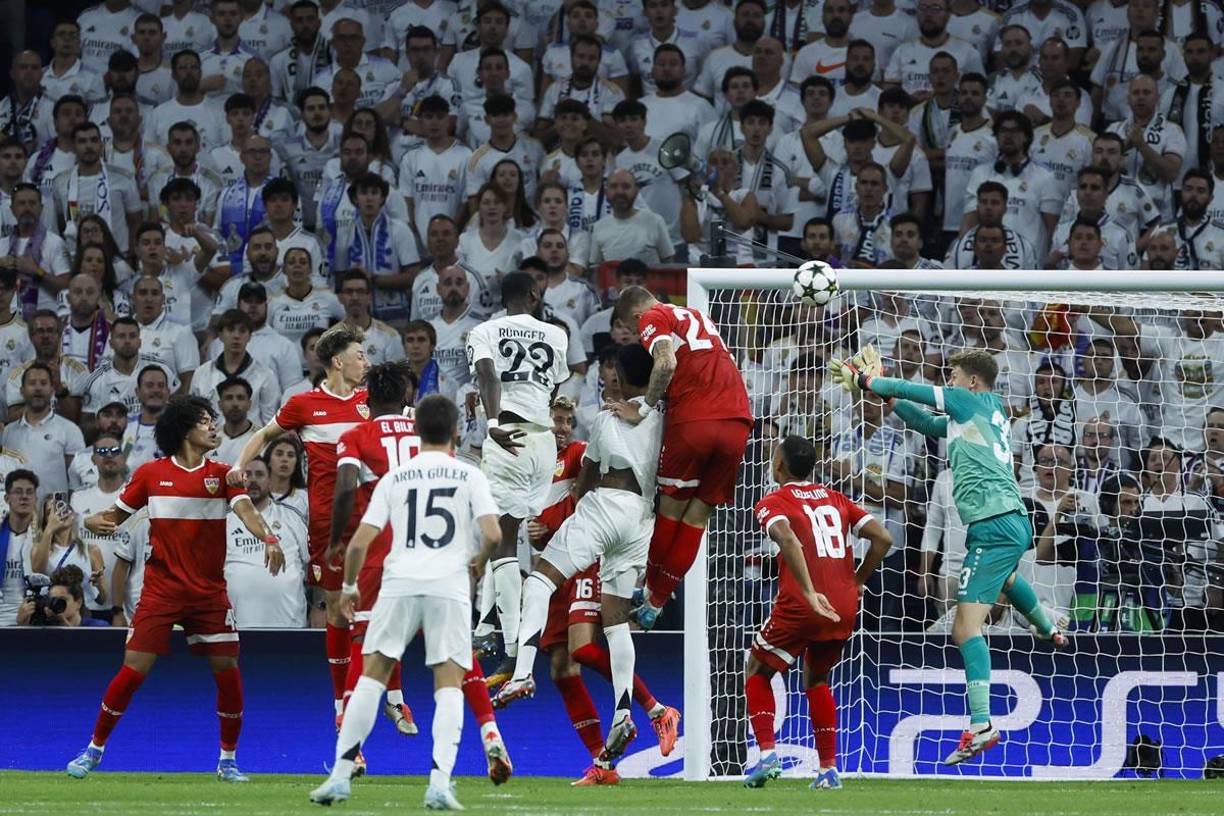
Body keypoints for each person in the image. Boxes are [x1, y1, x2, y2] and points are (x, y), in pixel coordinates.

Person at [831, 345, 1067, 765]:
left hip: (993, 524)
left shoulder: (968, 399)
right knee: (1007, 580)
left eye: (954, 375)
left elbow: (916, 390)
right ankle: (1048, 627)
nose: (950, 381)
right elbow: (923, 419)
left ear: (971, 381)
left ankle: (982, 724)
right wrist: (887, 399)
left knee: (964, 629)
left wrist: (867, 380)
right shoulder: (986, 411)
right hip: (1008, 521)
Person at [67, 395, 285, 780]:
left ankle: (228, 761)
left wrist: (268, 537)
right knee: (133, 670)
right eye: (206, 421)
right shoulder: (151, 474)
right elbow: (112, 517)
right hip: (161, 591)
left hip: (208, 593)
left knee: (228, 670)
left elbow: (246, 510)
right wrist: (94, 522)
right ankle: (93, 750)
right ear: (185, 429)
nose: (213, 427)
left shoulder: (223, 474)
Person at [309, 394, 501, 809]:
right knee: (448, 685)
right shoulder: (469, 475)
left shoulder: (396, 477)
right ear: (454, 432)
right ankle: (439, 783)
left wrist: (349, 586)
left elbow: (360, 540)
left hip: (398, 582)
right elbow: (493, 533)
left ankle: (340, 777)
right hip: (448, 585)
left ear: (416, 432)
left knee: (370, 678)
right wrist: (478, 563)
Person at [496, 344, 682, 770]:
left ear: (621, 375)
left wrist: (577, 503)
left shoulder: (606, 418)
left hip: (606, 506)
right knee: (616, 624)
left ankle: (522, 672)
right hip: (642, 521)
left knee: (539, 581)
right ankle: (625, 713)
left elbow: (589, 476)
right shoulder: (664, 419)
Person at [229, 323, 369, 725]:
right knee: (339, 612)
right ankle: (341, 701)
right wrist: (240, 466)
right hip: (328, 522)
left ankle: (390, 693)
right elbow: (264, 434)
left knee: (378, 608)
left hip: (374, 517)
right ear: (338, 362)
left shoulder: (371, 400)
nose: (366, 362)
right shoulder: (304, 403)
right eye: (360, 355)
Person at [742, 435, 892, 789]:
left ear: (778, 465)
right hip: (843, 606)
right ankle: (828, 771)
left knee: (757, 670)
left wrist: (809, 593)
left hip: (802, 604)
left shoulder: (772, 502)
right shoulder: (837, 499)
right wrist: (857, 581)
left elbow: (789, 540)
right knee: (817, 679)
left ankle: (767, 756)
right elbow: (884, 538)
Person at [609, 285, 753, 629]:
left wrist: (643, 407)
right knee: (698, 518)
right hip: (738, 420)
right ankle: (655, 604)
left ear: (634, 316)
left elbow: (666, 360)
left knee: (670, 512)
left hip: (694, 420)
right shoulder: (700, 316)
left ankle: (649, 591)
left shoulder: (653, 317)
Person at [467, 271, 570, 682]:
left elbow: (490, 375)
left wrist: (492, 421)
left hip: (508, 434)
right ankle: (487, 628)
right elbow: (551, 384)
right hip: (544, 444)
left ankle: (511, 649)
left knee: (501, 541)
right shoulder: (557, 334)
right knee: (514, 540)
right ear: (533, 293)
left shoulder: (484, 330)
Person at [224, 457, 308, 628]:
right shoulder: (224, 522)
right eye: (247, 475)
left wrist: (320, 605)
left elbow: (312, 564)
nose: (253, 480)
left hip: (289, 624)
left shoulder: (292, 518)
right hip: (238, 625)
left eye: (260, 474)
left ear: (270, 481)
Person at [2, 363, 86, 497]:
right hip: (18, 511)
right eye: (32, 383)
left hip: (55, 513)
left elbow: (78, 478)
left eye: (43, 383)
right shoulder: (8, 432)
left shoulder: (69, 429)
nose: (38, 388)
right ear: (22, 391)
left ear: (52, 390)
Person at [0, 469, 38, 625]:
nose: (24, 497)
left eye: (30, 492)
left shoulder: (44, 537)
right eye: (18, 492)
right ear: (6, 498)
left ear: (36, 498)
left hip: (34, 617)